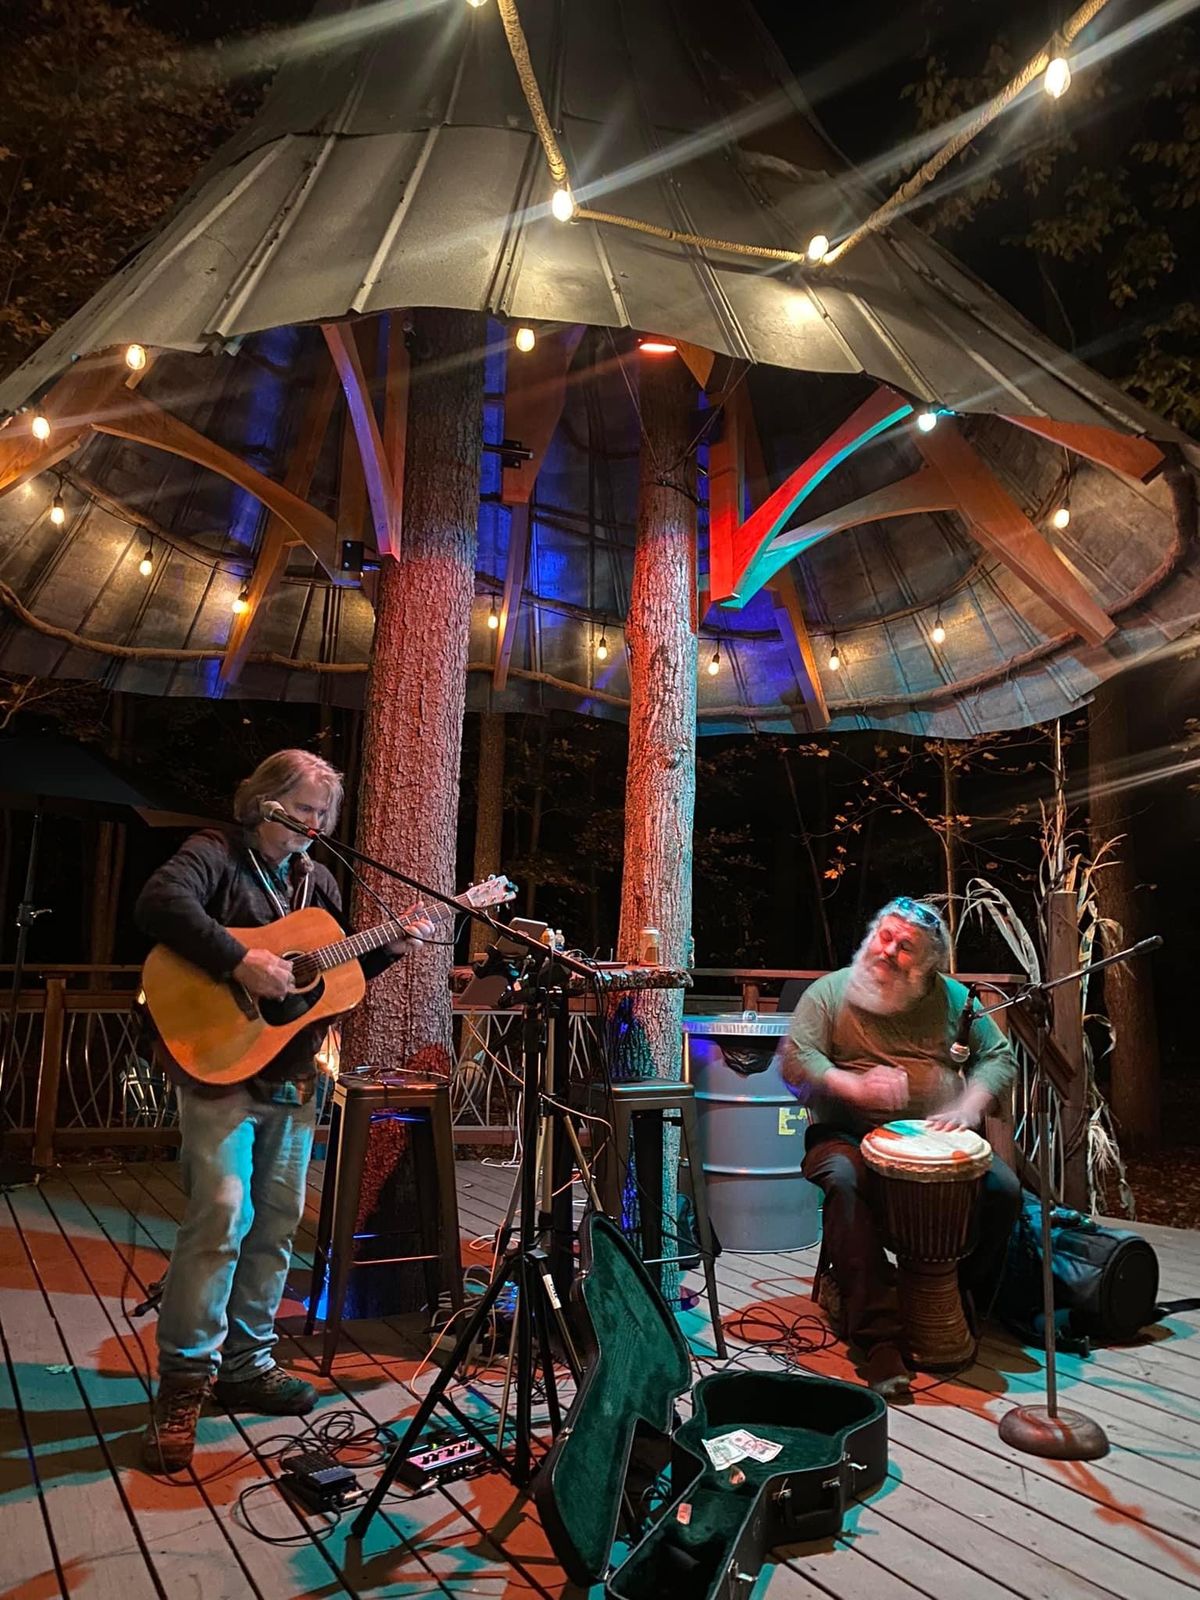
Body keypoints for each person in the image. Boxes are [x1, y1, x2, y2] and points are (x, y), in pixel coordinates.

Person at [135, 749, 425, 1472]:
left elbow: (326, 979)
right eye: (302, 808)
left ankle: (247, 1365)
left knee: (273, 1227)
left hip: (291, 1078)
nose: (314, 823)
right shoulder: (215, 853)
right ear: (264, 800)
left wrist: (390, 948)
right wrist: (239, 960)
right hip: (218, 1069)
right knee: (220, 1215)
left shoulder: (317, 881)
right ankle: (184, 1382)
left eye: (323, 813)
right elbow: (159, 904)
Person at [778, 896, 1021, 1398]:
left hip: (934, 1139)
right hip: (846, 1134)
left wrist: (969, 1106)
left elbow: (998, 1057)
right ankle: (879, 1337)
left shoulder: (955, 1000)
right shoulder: (830, 993)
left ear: (929, 963)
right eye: (884, 936)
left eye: (904, 946)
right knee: (843, 1181)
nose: (887, 950)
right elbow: (797, 1059)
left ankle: (954, 1297)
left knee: (1003, 1190)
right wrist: (853, 1086)